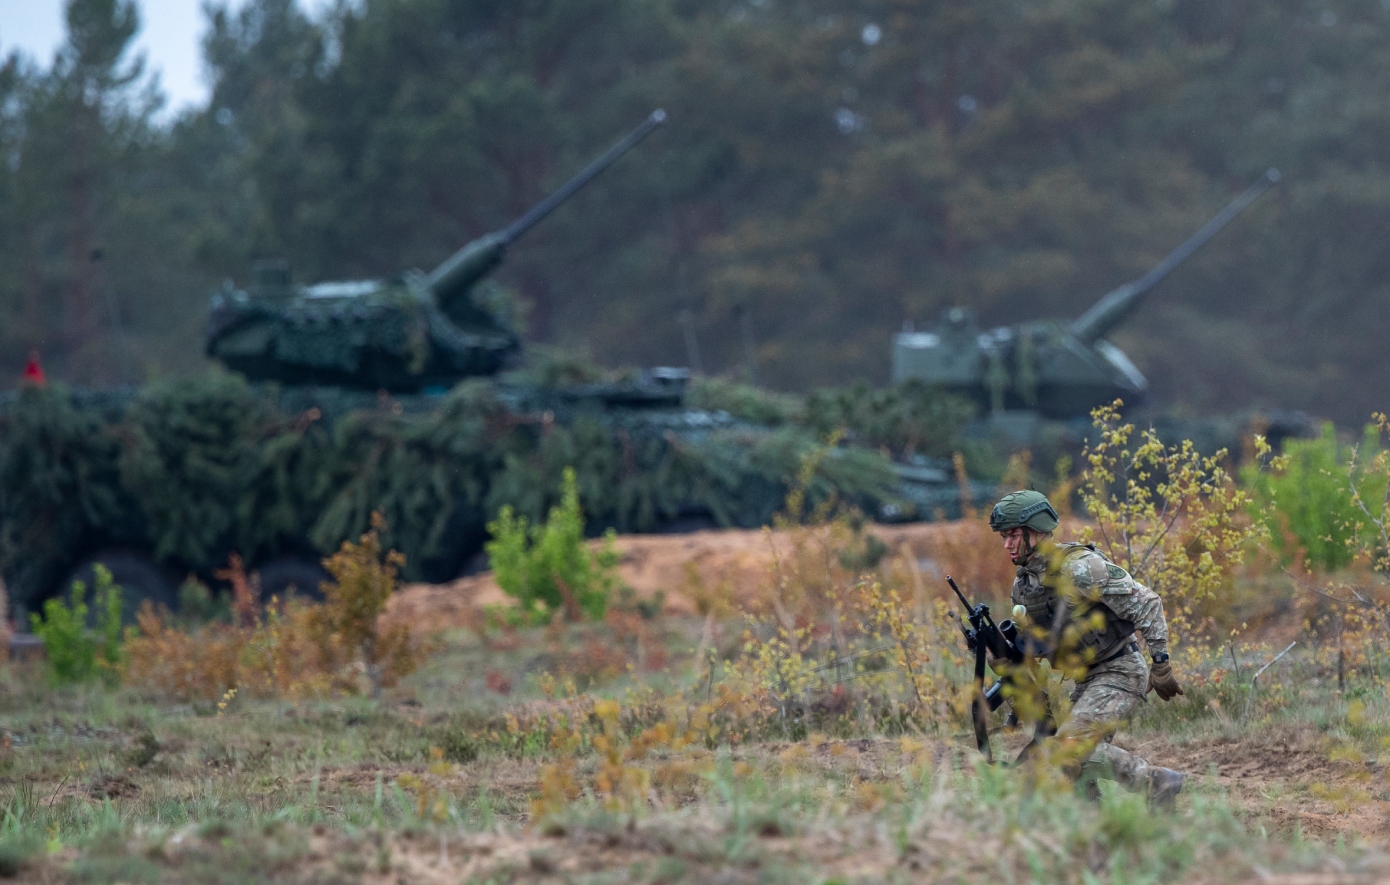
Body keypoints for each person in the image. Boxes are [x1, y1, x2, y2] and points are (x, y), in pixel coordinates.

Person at [989, 490, 1186, 808]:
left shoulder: (1080, 568)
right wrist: (1006, 656)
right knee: (1069, 766)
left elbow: (1147, 603)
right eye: (1003, 537)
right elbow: (1038, 644)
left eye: (1013, 535)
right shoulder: (1024, 585)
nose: (1007, 545)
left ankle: (1155, 782)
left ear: (1036, 531)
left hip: (1120, 670)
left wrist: (1161, 663)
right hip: (1087, 678)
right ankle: (1095, 823)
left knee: (1067, 749)